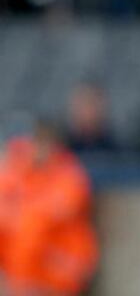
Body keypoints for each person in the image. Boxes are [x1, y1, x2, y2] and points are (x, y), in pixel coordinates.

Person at [0, 120, 99, 296]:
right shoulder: (18, 169)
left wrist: (23, 211)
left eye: (47, 143)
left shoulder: (69, 173)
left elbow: (60, 209)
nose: (42, 150)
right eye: (38, 142)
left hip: (61, 260)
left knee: (32, 226)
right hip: (22, 271)